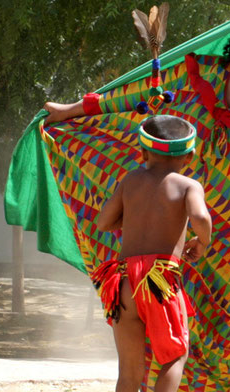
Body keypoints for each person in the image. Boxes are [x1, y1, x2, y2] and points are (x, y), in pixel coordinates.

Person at [17, 7, 230, 392]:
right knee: (171, 345)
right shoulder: (195, 73)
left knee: (224, 339)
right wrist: (73, 110)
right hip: (175, 248)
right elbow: (136, 97)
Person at [93, 115, 211, 392]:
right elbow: (201, 218)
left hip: (122, 282)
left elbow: (103, 223)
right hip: (159, 280)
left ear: (143, 152)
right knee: (175, 357)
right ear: (190, 155)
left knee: (129, 373)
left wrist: (134, 216)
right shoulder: (188, 185)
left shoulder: (131, 180)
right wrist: (201, 243)